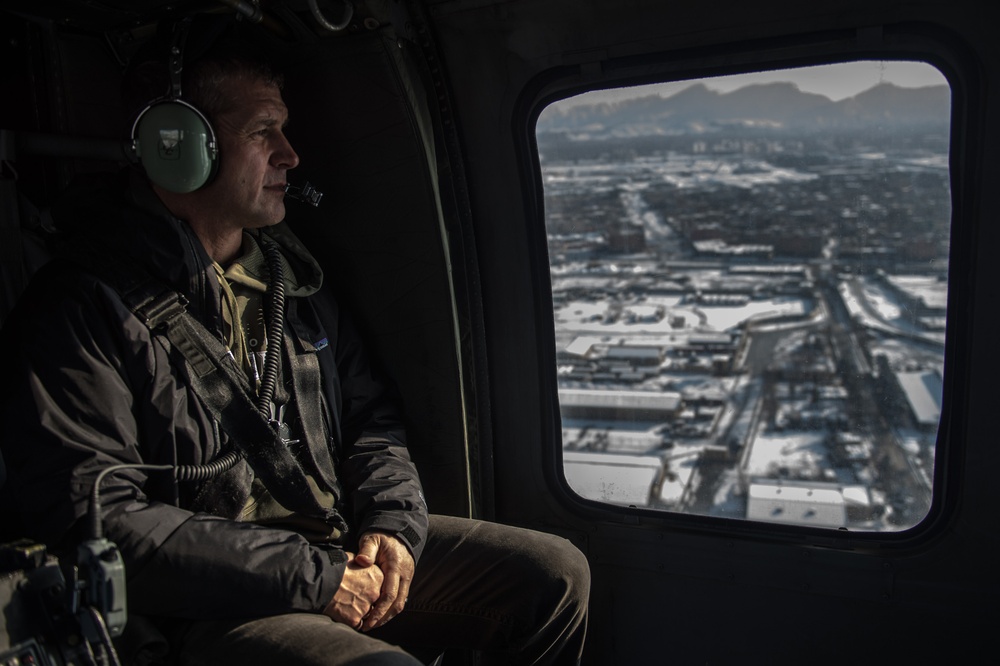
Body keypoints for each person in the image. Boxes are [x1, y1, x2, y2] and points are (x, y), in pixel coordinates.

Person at [0, 27, 589, 666]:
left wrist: (392, 524)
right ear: (180, 149)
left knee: (552, 577)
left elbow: (372, 420)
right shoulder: (81, 306)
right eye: (262, 132)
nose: (290, 155)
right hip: (206, 604)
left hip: (327, 548)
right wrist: (311, 576)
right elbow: (97, 519)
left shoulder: (292, 281)